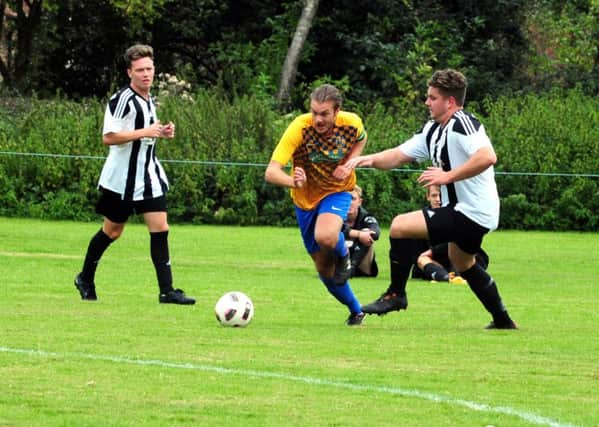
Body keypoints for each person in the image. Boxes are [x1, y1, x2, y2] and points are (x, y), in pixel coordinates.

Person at [345, 69, 517, 329]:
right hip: (468, 212)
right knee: (463, 263)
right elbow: (398, 155)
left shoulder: (462, 123)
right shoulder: (434, 130)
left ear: (449, 101)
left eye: (432, 97)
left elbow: (487, 157)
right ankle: (503, 320)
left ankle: (396, 294)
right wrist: (364, 160)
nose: (426, 102)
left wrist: (448, 176)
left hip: (471, 211)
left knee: (400, 225)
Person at [73, 44, 195, 305]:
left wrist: (162, 133)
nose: (146, 74)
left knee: (160, 229)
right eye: (140, 70)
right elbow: (109, 137)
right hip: (120, 182)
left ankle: (167, 291)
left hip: (148, 178)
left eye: (149, 69)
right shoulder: (121, 100)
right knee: (112, 231)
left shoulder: (149, 99)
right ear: (130, 72)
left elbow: (146, 134)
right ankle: (85, 277)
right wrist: (145, 132)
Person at [264, 84, 368, 326]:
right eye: (314, 112)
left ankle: (344, 255)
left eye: (324, 114)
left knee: (326, 236)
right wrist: (292, 181)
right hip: (305, 200)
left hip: (338, 190)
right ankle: (356, 310)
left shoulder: (351, 123)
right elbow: (271, 172)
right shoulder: (299, 128)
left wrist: (350, 163)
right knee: (323, 268)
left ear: (337, 111)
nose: (318, 119)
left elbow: (362, 139)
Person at [342, 185, 380, 278]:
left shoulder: (366, 217)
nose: (349, 202)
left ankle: (352, 269)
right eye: (346, 198)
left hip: (362, 265)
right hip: (339, 262)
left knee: (367, 234)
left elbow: (376, 233)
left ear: (360, 202)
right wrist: (358, 234)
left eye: (353, 199)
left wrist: (363, 234)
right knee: (330, 234)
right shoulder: (334, 216)